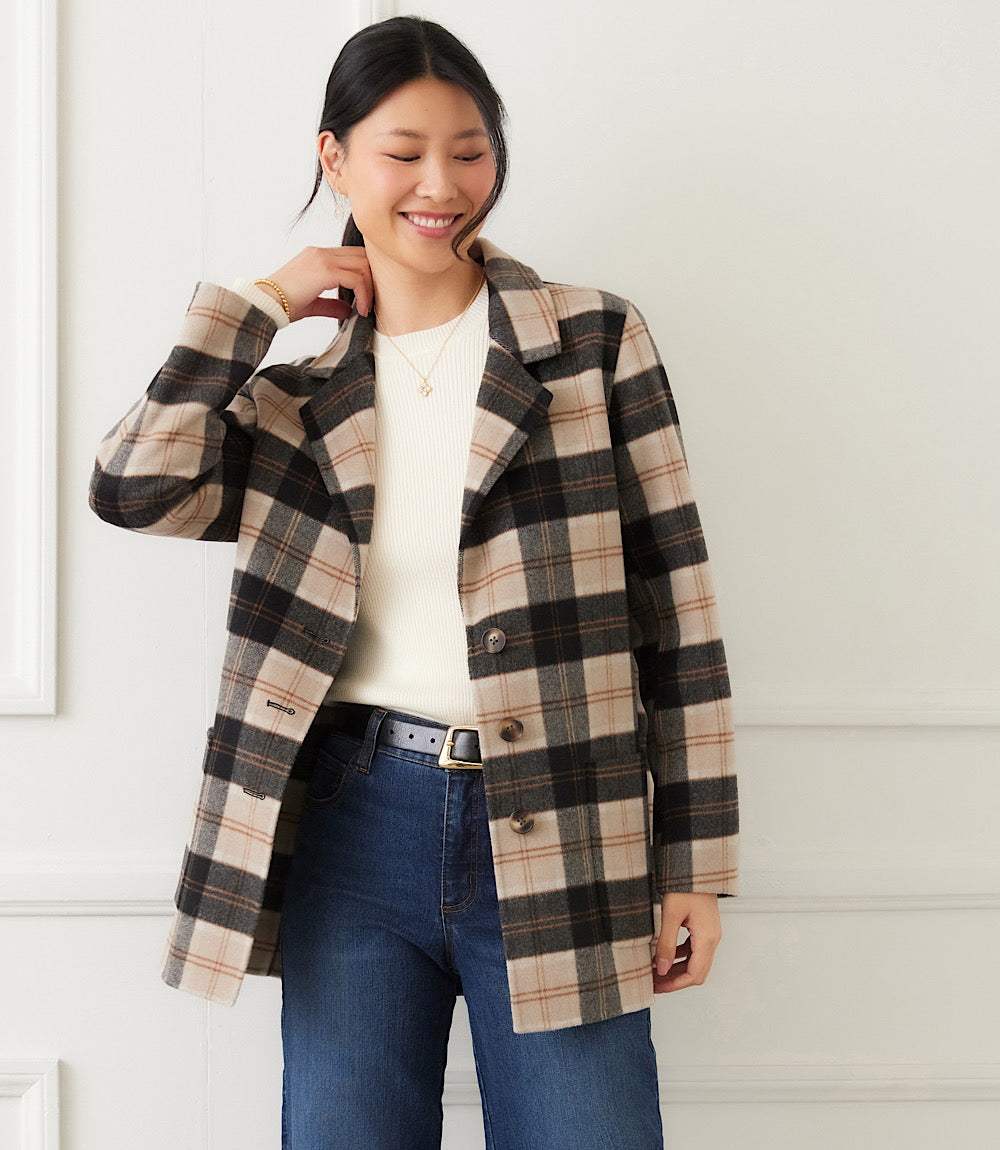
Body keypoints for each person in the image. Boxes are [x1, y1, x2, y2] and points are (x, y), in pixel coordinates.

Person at [88, 15, 738, 1149]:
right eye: (402, 152)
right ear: (334, 157)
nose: (442, 184)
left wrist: (696, 862)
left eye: (471, 150)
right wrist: (253, 307)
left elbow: (675, 613)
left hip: (565, 814)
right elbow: (133, 488)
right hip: (352, 818)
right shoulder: (295, 400)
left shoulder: (590, 342)